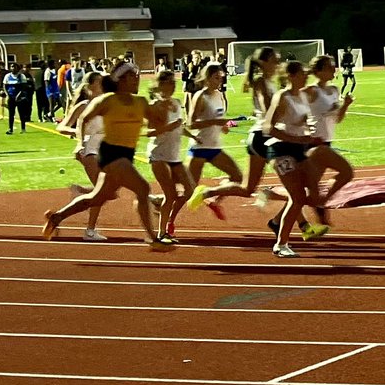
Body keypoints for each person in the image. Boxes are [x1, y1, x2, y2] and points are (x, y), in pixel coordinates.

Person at [41, 61, 174, 250]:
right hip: (110, 153)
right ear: (119, 80)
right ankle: (153, 239)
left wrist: (162, 106)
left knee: (97, 197)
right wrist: (81, 141)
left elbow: (156, 124)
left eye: (137, 76)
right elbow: (83, 119)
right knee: (143, 188)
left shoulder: (140, 102)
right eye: (131, 76)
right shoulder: (107, 100)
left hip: (126, 154)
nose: (136, 79)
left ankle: (57, 216)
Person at [193, 47, 284, 226]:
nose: (278, 64)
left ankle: (207, 193)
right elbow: (267, 111)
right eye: (274, 60)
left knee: (247, 189)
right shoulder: (260, 82)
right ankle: (297, 226)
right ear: (264, 63)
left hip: (268, 136)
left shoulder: (272, 83)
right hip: (263, 138)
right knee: (293, 180)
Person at [261, 60, 324, 257]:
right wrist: (298, 137)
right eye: (303, 73)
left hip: (298, 149)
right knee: (297, 198)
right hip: (281, 150)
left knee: (312, 191)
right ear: (291, 76)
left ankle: (271, 195)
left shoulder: (303, 96)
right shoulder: (282, 97)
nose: (306, 76)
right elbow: (268, 128)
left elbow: (302, 120)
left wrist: (310, 132)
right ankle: (281, 244)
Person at [56, 71, 109, 242]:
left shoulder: (106, 105)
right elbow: (62, 127)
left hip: (104, 151)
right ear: (90, 86)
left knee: (109, 192)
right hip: (88, 150)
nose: (104, 84)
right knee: (100, 192)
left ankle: (80, 193)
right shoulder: (83, 105)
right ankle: (90, 230)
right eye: (100, 82)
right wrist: (78, 133)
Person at [304, 55, 355, 227]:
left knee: (307, 190)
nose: (334, 69)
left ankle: (271, 197)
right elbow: (294, 111)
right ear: (318, 71)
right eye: (329, 66)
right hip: (315, 145)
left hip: (326, 142)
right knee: (347, 172)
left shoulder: (334, 90)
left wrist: (346, 105)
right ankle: (321, 203)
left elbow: (337, 119)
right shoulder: (310, 91)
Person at [182, 63, 242, 210]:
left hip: (215, 147)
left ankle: (214, 200)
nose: (220, 81)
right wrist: (216, 122)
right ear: (207, 78)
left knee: (237, 176)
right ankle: (161, 204)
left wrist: (224, 126)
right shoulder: (200, 96)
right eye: (216, 78)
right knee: (189, 190)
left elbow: (219, 118)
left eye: (221, 78)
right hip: (199, 148)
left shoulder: (219, 95)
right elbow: (190, 124)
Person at [146, 68, 191, 243]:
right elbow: (149, 132)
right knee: (171, 195)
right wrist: (169, 127)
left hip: (174, 155)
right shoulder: (155, 106)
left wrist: (192, 135)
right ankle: (162, 233)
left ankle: (159, 202)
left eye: (174, 82)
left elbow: (179, 126)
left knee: (190, 190)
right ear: (160, 85)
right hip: (159, 155)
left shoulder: (177, 102)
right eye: (169, 82)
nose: (173, 86)